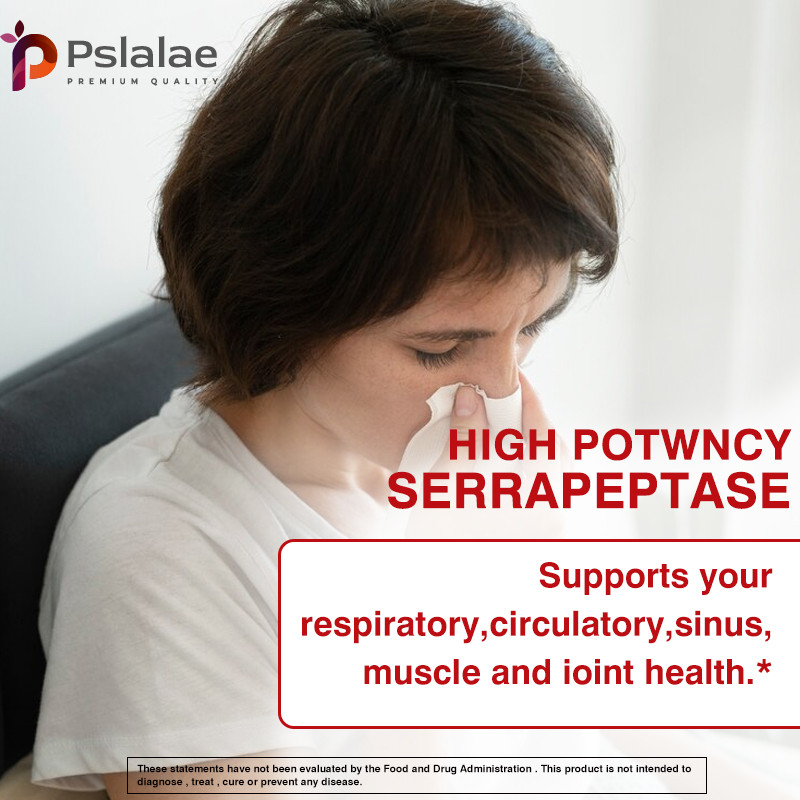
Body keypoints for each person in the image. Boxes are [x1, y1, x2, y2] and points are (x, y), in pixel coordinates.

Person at [31, 0, 619, 795]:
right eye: (439, 350)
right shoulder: (166, 550)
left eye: (534, 324)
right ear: (284, 312)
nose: (503, 389)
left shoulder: (443, 470)